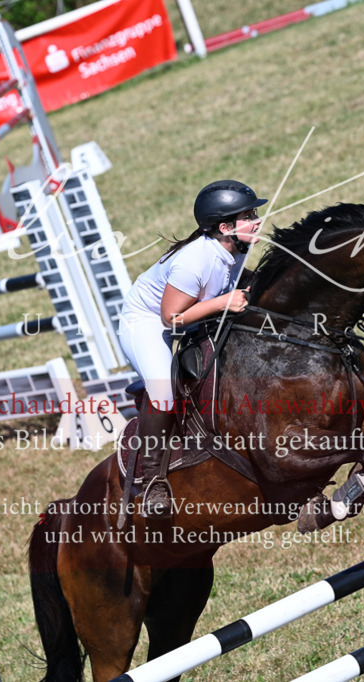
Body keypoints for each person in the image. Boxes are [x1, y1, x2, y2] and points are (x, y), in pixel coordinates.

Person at [117, 180, 265, 519]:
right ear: (225, 227)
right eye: (249, 216)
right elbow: (171, 318)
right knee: (164, 392)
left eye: (255, 213)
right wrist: (223, 302)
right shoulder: (194, 260)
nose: (257, 221)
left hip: (191, 313)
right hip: (149, 323)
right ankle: (153, 479)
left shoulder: (233, 247)